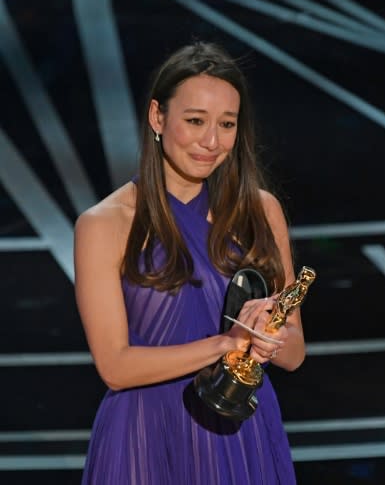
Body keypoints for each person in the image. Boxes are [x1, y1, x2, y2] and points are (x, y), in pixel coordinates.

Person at [74, 41, 303, 484]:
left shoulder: (262, 211)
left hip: (240, 432)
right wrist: (227, 343)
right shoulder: (103, 224)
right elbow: (114, 367)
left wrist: (268, 335)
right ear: (158, 117)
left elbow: (294, 354)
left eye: (227, 124)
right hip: (145, 435)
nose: (212, 142)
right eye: (195, 121)